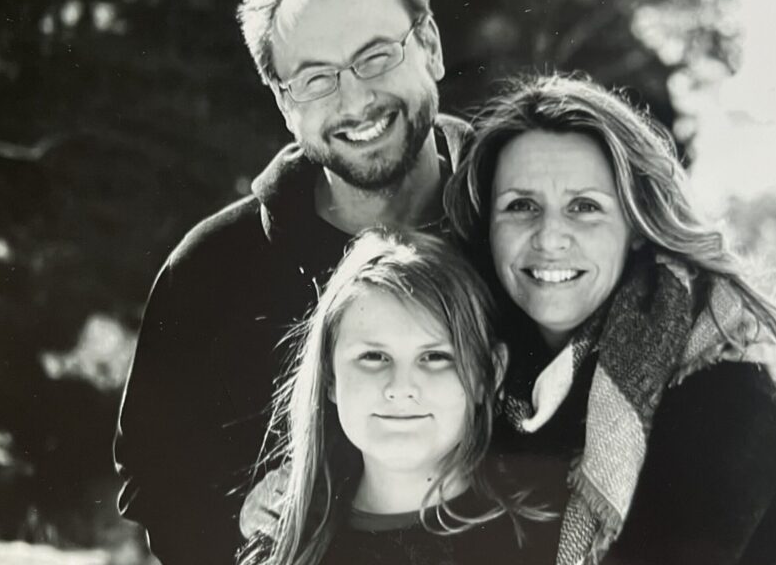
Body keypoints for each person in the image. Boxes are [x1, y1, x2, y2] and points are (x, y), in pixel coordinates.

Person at [114, 0, 466, 565]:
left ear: (432, 46)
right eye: (316, 78)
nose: (356, 99)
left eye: (375, 56)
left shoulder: (519, 241)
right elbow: (153, 477)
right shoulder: (211, 268)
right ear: (283, 102)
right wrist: (237, 515)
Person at [444, 73, 776, 565]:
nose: (549, 237)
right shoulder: (495, 374)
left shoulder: (721, 387)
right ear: (488, 227)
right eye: (521, 206)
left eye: (584, 207)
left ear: (637, 227)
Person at [237, 229, 561, 565]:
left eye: (435, 357)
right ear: (330, 376)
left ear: (487, 374)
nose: (401, 387)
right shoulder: (283, 546)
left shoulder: (546, 541)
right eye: (374, 357)